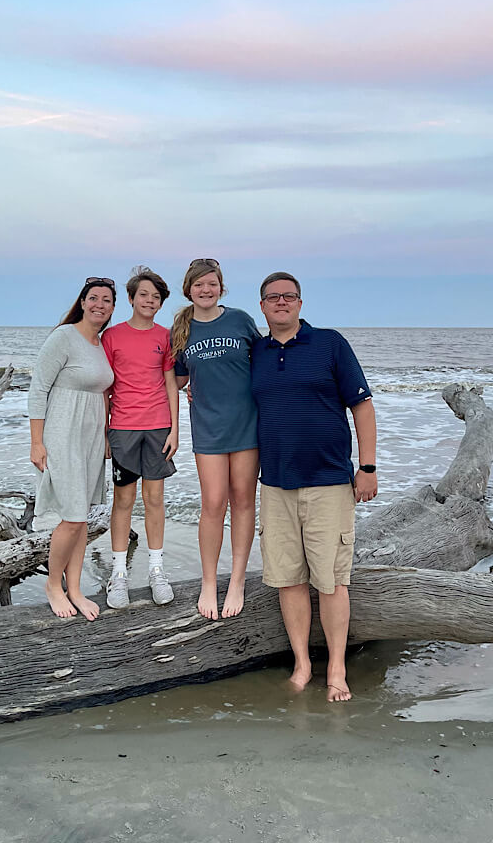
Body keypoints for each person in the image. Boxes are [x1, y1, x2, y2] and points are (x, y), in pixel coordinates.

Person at [250, 272, 377, 701]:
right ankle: (302, 664)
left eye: (289, 296)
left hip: (328, 482)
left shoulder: (330, 344)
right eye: (273, 298)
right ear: (262, 307)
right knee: (288, 580)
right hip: (276, 485)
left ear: (300, 303)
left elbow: (361, 404)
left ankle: (337, 669)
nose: (281, 302)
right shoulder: (256, 352)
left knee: (331, 581)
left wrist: (368, 467)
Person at [172, 258, 261, 620]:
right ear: (188, 289)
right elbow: (174, 379)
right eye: (199, 285)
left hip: (247, 424)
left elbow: (266, 361)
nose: (205, 290)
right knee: (212, 502)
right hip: (207, 426)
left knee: (242, 500)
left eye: (212, 284)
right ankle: (209, 582)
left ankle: (237, 579)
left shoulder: (239, 320)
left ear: (221, 287)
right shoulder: (181, 328)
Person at [28, 277, 116, 620]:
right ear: (82, 302)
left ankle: (75, 588)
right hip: (62, 432)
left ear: (112, 308)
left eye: (106, 300)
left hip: (91, 436)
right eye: (93, 298)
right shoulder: (63, 337)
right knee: (73, 516)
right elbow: (37, 391)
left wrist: (106, 434)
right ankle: (53, 585)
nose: (99, 304)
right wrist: (37, 442)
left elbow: (103, 394)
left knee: (83, 518)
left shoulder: (99, 344)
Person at [102, 266, 179, 608]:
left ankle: (157, 571)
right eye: (144, 295)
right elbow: (104, 388)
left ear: (161, 303)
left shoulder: (165, 336)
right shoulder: (112, 337)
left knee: (155, 499)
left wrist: (175, 428)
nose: (150, 300)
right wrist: (104, 431)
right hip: (123, 427)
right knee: (123, 501)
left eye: (156, 297)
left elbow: (171, 384)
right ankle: (118, 575)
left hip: (158, 427)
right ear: (131, 299)